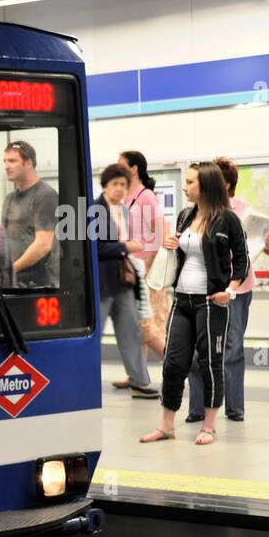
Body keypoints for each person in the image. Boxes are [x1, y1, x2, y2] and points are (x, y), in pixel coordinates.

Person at [139, 162, 249, 446]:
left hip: (211, 302)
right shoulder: (185, 216)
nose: (185, 187)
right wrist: (171, 245)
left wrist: (230, 291)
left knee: (210, 362)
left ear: (206, 185)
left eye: (190, 182)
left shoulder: (228, 220)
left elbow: (242, 261)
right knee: (174, 362)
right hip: (182, 300)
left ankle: (209, 426)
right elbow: (181, 256)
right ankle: (166, 425)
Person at [185, 156, 269, 423]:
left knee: (233, 346)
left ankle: (234, 408)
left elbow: (257, 248)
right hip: (202, 286)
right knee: (197, 347)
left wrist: (268, 242)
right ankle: (197, 408)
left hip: (238, 287)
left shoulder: (243, 210)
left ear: (225, 183)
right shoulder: (196, 210)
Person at [92, 163, 157, 398]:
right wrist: (125, 247)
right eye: (115, 184)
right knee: (94, 335)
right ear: (105, 185)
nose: (119, 189)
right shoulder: (94, 210)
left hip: (123, 279)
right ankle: (86, 380)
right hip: (101, 282)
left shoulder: (123, 210)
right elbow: (95, 248)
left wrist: (127, 247)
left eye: (123, 185)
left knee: (131, 330)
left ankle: (139, 381)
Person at [114, 151, 168, 384]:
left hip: (147, 265)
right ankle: (138, 375)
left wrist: (152, 265)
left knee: (147, 323)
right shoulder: (125, 196)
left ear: (134, 169)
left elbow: (160, 233)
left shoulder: (146, 197)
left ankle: (181, 365)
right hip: (131, 264)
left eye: (121, 164)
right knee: (136, 321)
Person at [1, 140, 60, 288]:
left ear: (28, 163)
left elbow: (43, 245)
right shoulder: (10, 199)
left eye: (12, 161)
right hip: (15, 281)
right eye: (5, 161)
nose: (6, 166)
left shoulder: (45, 196)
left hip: (39, 283)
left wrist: (11, 269)